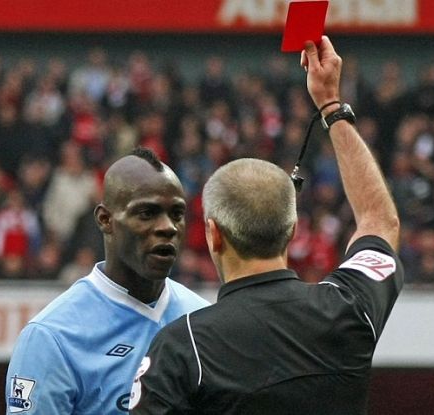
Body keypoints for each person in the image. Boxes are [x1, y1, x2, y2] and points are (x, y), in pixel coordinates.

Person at [129, 36, 403, 415]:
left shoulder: (183, 345)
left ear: (214, 235)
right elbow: (380, 222)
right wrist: (331, 106)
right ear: (292, 230)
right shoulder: (347, 308)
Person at [5, 147, 210, 414]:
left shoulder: (204, 320)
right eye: (147, 213)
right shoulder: (51, 337)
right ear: (105, 220)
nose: (168, 227)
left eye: (177, 214)